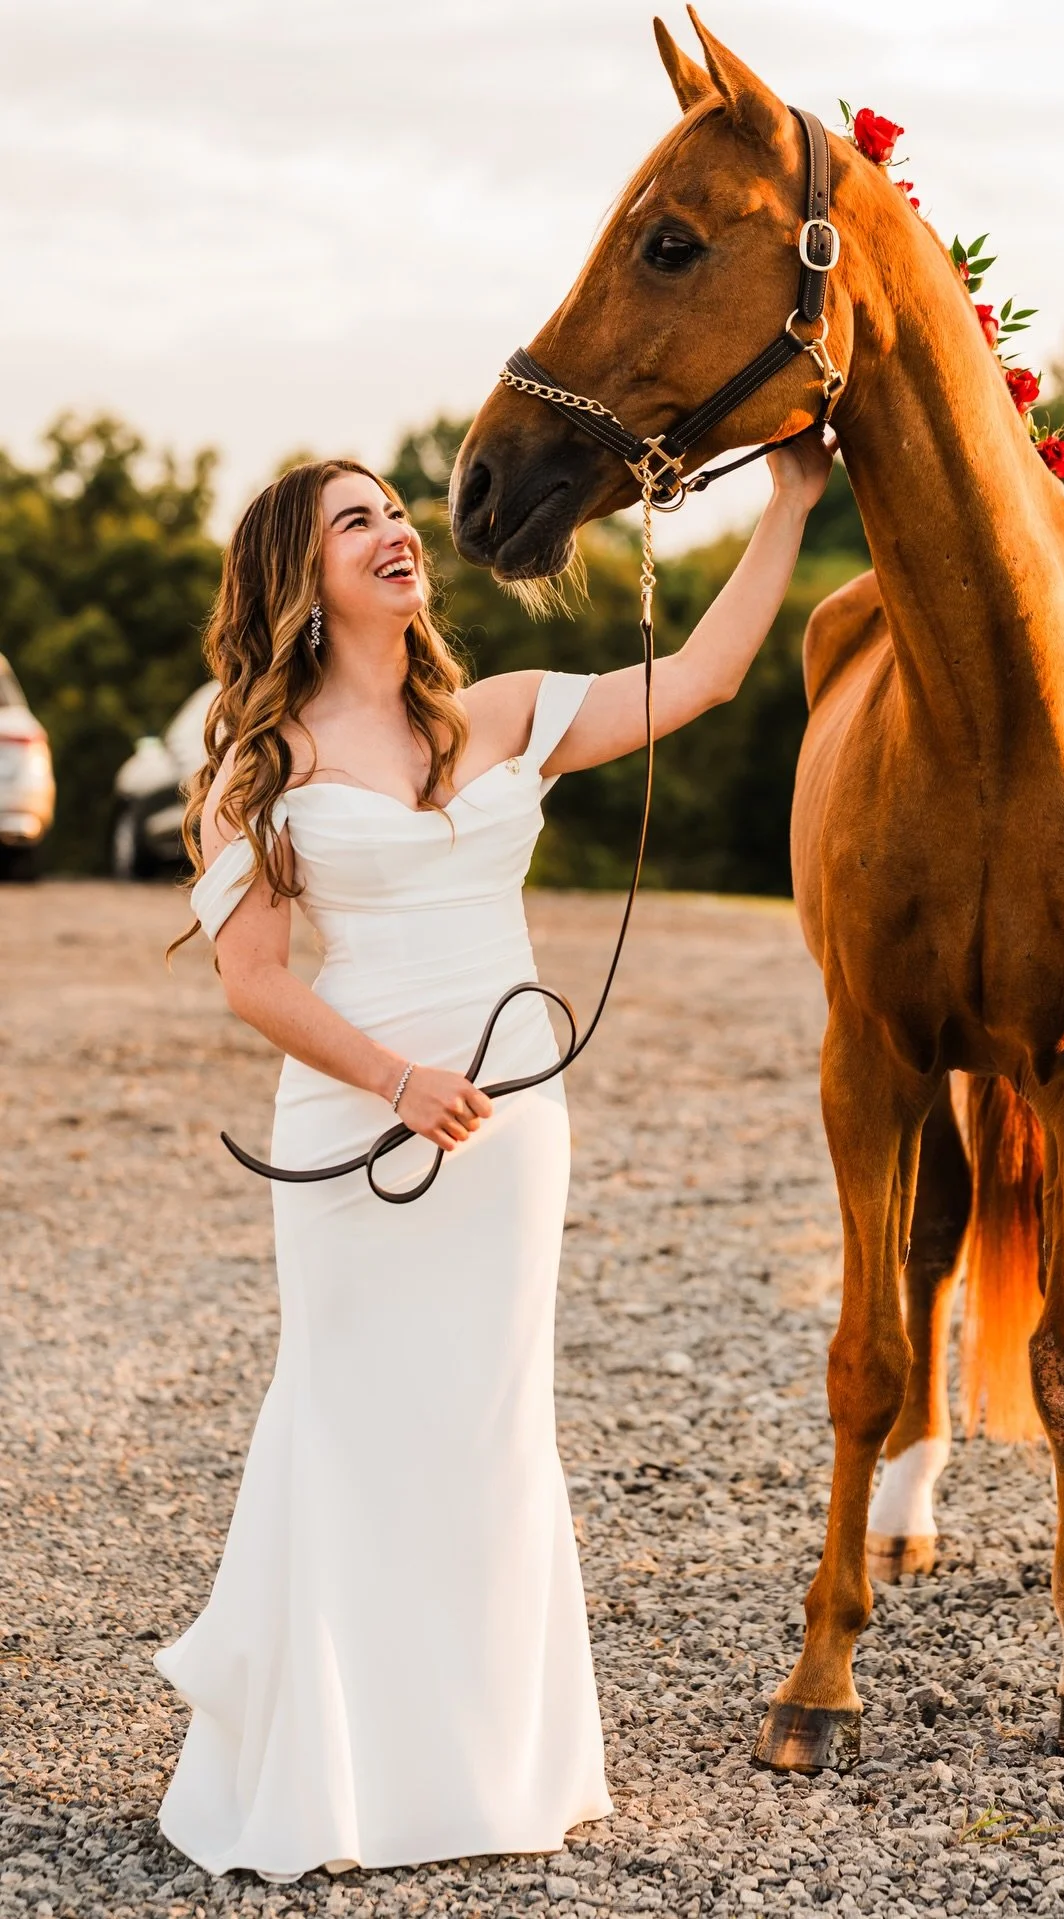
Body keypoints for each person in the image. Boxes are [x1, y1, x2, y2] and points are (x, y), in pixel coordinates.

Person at [155, 431, 834, 1880]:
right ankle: (335, 1777)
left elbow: (702, 677)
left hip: (511, 1136)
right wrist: (397, 1078)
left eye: (397, 511)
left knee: (486, 1426)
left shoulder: (504, 715)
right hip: (357, 1130)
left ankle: (481, 1770)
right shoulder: (261, 764)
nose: (398, 530)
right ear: (303, 575)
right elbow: (256, 981)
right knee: (353, 1417)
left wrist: (786, 505)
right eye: (357, 522)